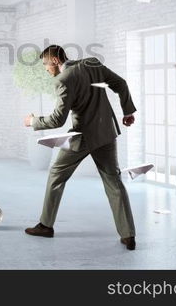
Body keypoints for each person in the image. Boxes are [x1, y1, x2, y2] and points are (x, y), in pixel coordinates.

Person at [23, 45, 138, 250]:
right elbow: (120, 83)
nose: (46, 69)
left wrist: (33, 121)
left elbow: (58, 120)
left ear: (56, 61)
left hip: (83, 137)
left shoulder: (63, 80)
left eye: (46, 65)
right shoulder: (92, 64)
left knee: (56, 175)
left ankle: (45, 226)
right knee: (114, 182)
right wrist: (127, 111)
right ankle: (128, 235)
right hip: (106, 134)